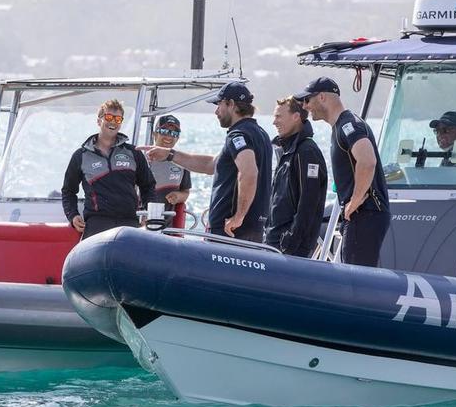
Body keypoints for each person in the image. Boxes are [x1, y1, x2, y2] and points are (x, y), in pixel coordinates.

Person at [142, 82, 272, 242]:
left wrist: (239, 216)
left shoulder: (238, 135)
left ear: (231, 104)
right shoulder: (260, 134)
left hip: (229, 230)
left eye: (219, 105)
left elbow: (249, 173)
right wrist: (169, 154)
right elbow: (210, 165)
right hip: (252, 228)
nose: (216, 111)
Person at [297, 76, 391, 267]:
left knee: (356, 279)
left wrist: (354, 201)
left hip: (366, 212)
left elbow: (367, 161)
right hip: (362, 214)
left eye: (307, 100)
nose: (305, 106)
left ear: (322, 97)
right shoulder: (340, 126)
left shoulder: (349, 125)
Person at [62, 99, 156, 240]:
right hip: (96, 223)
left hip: (128, 222)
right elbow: (68, 191)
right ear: (99, 121)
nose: (113, 122)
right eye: (109, 117)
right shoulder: (81, 156)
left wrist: (148, 213)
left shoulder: (133, 152)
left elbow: (148, 186)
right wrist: (73, 215)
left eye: (118, 119)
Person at [266, 96, 328, 257]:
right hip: (275, 240)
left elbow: (309, 202)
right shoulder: (287, 150)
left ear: (296, 117)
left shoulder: (306, 152)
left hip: (290, 246)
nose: (274, 122)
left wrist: (292, 239)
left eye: (279, 116)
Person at [146, 115, 191, 228]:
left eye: (174, 134)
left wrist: (178, 196)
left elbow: (185, 192)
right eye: (164, 131)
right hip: (141, 225)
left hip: (168, 229)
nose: (169, 136)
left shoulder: (182, 162)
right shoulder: (142, 160)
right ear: (154, 134)